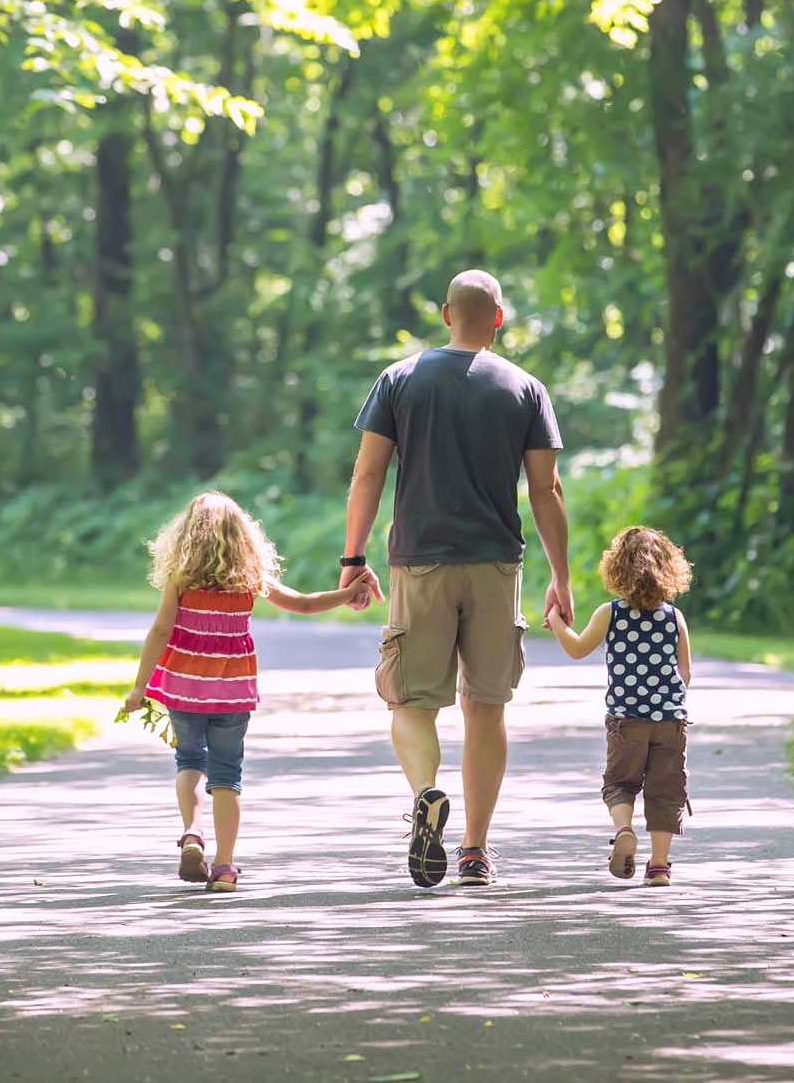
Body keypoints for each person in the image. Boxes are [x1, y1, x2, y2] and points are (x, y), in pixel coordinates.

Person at [340, 269, 572, 888]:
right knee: (486, 707)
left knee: (411, 702)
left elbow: (367, 477)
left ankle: (425, 794)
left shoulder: (400, 380)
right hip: (497, 566)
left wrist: (353, 558)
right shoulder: (526, 389)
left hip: (420, 562)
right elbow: (545, 490)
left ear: (447, 314)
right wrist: (562, 577)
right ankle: (474, 850)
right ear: (498, 317)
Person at [121, 491, 371, 892]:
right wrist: (348, 592)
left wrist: (139, 687)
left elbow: (161, 631)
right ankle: (223, 867)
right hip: (232, 693)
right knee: (227, 776)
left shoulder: (181, 579)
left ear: (187, 535)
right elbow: (304, 605)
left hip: (185, 689)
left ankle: (191, 833)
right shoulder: (250, 577)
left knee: (188, 761)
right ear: (242, 536)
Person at [546, 526, 693, 886]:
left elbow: (578, 649)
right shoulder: (674, 618)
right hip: (670, 722)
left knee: (620, 784)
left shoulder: (610, 613)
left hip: (626, 720)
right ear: (669, 570)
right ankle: (659, 866)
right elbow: (685, 673)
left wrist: (554, 622)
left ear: (617, 569)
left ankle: (624, 829)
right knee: (665, 792)